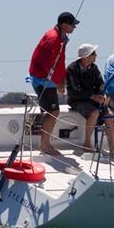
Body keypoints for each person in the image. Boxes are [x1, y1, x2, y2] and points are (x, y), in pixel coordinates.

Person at [28, 11, 79, 155]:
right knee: (53, 111)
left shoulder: (61, 37)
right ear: (64, 25)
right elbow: (48, 64)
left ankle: (45, 143)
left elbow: (59, 61)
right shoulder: (53, 38)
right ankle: (44, 145)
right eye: (72, 25)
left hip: (49, 80)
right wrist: (58, 82)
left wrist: (62, 79)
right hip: (42, 80)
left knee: (52, 111)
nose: (74, 27)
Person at [66, 43, 114, 153]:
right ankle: (87, 143)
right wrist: (93, 96)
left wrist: (102, 95)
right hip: (77, 100)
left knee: (109, 116)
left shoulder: (93, 67)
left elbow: (101, 84)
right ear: (86, 56)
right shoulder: (72, 69)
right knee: (94, 113)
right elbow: (75, 90)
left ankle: (112, 147)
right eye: (93, 54)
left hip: (92, 99)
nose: (96, 56)